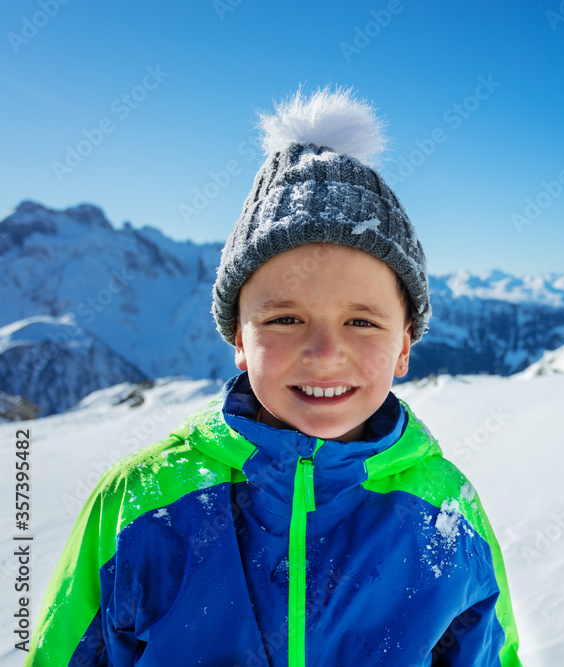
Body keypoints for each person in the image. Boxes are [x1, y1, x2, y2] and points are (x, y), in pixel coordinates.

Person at [26, 87, 521, 666]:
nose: (324, 352)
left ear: (404, 347)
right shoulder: (140, 504)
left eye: (362, 321)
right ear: (239, 337)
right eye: (285, 318)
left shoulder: (446, 517)